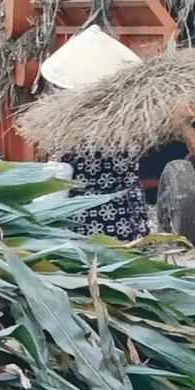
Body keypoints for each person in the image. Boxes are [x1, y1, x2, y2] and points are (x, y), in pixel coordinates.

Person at [36, 26, 148, 240]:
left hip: (82, 221)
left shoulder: (66, 123)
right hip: (126, 218)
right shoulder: (131, 118)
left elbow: (60, 170)